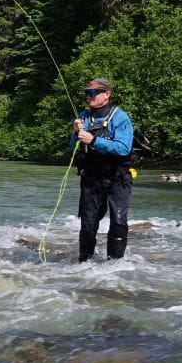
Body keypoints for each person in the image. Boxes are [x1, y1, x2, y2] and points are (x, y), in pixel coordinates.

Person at [71, 78, 135, 261]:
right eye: (87, 93)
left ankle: (115, 264)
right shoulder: (83, 116)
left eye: (93, 93)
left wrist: (93, 141)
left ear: (107, 94)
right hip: (91, 178)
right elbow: (72, 146)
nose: (89, 96)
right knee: (88, 223)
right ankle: (84, 263)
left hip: (118, 178)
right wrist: (76, 133)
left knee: (119, 221)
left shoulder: (120, 117)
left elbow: (124, 148)